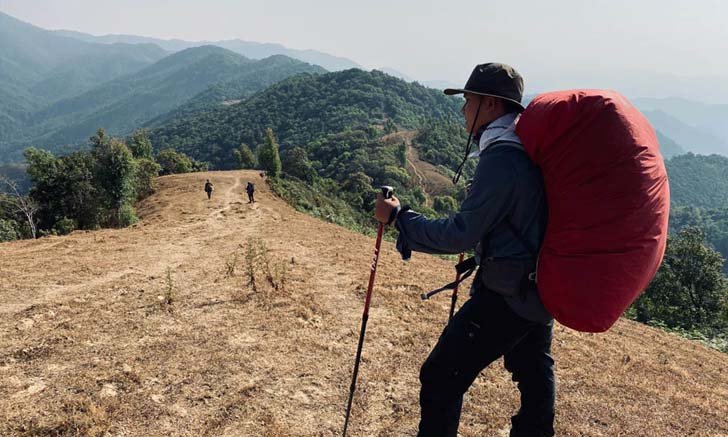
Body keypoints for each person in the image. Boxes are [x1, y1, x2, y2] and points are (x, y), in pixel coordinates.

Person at [375, 63, 555, 437]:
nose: (462, 110)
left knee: (440, 377)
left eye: (468, 100)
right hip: (541, 287)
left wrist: (400, 218)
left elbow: (459, 233)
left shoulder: (503, 157)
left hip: (508, 293)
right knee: (533, 370)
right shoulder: (524, 147)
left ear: (490, 104)